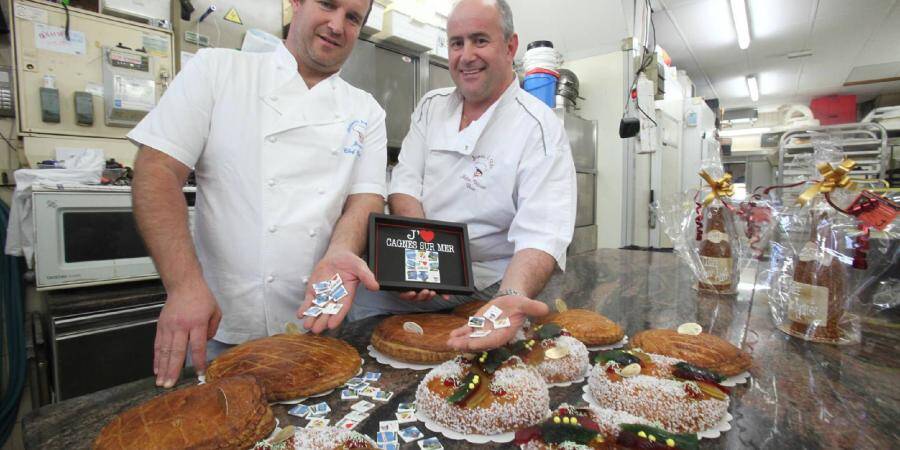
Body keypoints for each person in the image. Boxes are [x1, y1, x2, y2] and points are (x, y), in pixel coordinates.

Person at [129, 0, 385, 389]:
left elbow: (364, 199)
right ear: (295, 3)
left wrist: (340, 251)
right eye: (328, 5)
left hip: (319, 322)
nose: (336, 25)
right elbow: (157, 170)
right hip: (223, 323)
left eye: (352, 17)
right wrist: (182, 285)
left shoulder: (366, 110)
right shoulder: (217, 71)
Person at [342, 0, 578, 352]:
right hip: (424, 260)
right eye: (457, 43)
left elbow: (541, 234)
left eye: (480, 40)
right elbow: (405, 186)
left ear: (510, 46)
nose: (466, 55)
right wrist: (422, 261)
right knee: (357, 310)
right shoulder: (431, 107)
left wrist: (511, 296)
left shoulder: (539, 129)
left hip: (489, 280)